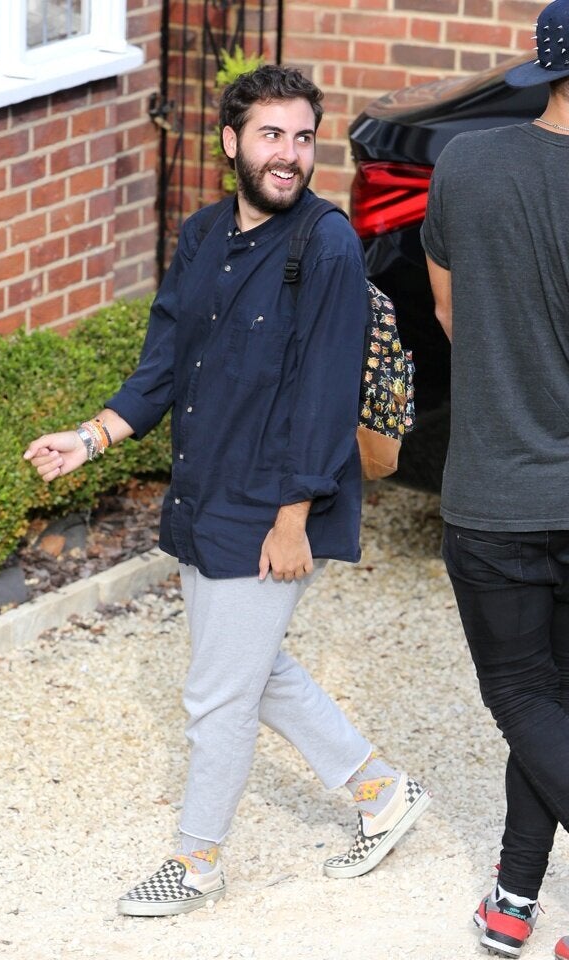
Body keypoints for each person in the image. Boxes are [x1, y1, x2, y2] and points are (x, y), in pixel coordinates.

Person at [25, 65, 431, 917]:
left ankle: (197, 862)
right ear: (231, 143)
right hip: (203, 493)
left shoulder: (325, 241)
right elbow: (164, 364)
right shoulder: (203, 235)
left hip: (273, 501)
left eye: (302, 138)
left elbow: (324, 396)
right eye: (272, 136)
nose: (289, 156)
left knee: (215, 692)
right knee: (250, 668)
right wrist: (92, 436)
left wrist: (293, 522)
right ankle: (382, 792)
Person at [421, 2, 569, 957]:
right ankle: (515, 895)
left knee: (525, 696)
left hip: (500, 498)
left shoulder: (468, 165)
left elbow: (446, 310)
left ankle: (515, 896)